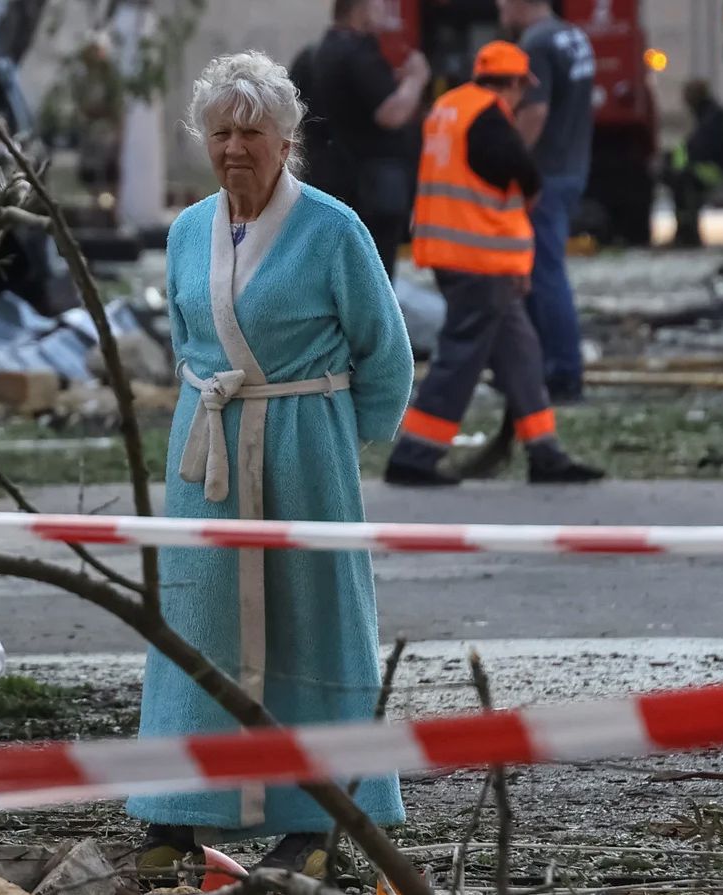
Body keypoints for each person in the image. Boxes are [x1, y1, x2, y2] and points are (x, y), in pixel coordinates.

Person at [130, 52, 414, 880]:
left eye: (252, 131)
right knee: (197, 616)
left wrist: (331, 441)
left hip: (304, 447)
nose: (234, 148)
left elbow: (385, 356)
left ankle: (319, 815)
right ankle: (176, 809)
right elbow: (189, 346)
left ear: (285, 140)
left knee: (315, 621)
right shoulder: (188, 232)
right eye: (221, 131)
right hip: (207, 451)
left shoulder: (334, 230)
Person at [383, 42, 605, 487]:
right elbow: (519, 169)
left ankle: (545, 453)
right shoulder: (488, 116)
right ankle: (414, 456)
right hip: (480, 259)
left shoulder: (448, 107)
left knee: (522, 352)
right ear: (516, 83)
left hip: (459, 256)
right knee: (461, 357)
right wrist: (530, 189)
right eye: (524, 87)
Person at [500, 0, 594, 403]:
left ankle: (562, 374)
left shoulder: (536, 43)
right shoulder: (573, 36)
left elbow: (534, 113)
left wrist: (505, 163)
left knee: (543, 275)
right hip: (571, 167)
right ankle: (548, 368)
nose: (500, 7)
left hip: (544, 176)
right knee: (544, 271)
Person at [303, 0, 431, 278]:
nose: (385, 11)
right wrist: (416, 79)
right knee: (374, 278)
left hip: (335, 183)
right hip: (371, 192)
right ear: (359, 9)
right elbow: (391, 112)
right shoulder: (358, 53)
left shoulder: (318, 53)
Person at [665, 80, 723, 248]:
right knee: (680, 178)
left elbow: (698, 149)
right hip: (712, 167)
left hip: (716, 170)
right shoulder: (709, 115)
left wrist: (676, 164)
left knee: (682, 181)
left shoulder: (710, 119)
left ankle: (687, 232)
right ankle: (686, 232)